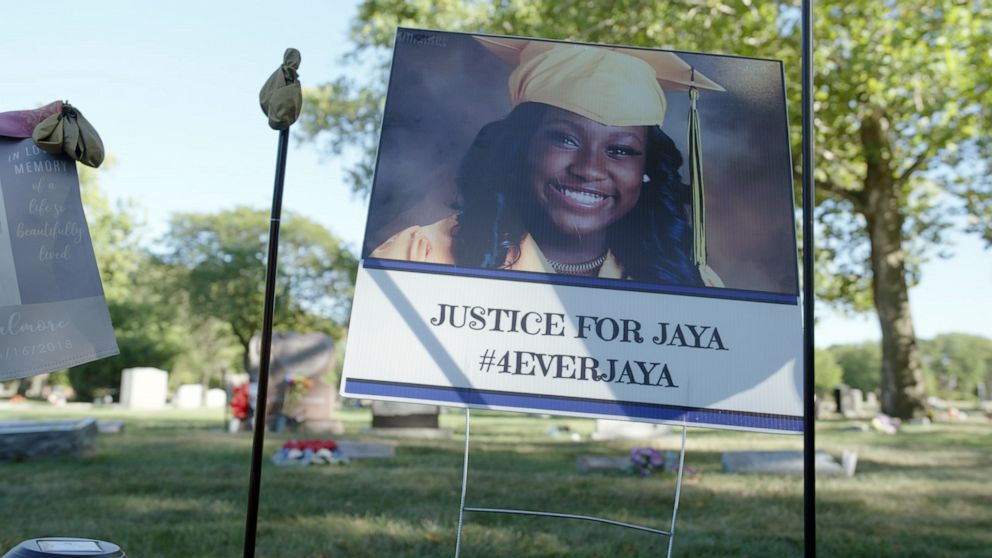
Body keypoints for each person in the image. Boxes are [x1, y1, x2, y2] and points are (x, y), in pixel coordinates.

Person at [370, 39, 723, 287]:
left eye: (620, 150)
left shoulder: (686, 281)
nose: (589, 169)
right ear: (520, 149)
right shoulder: (420, 256)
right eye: (565, 139)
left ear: (645, 169)